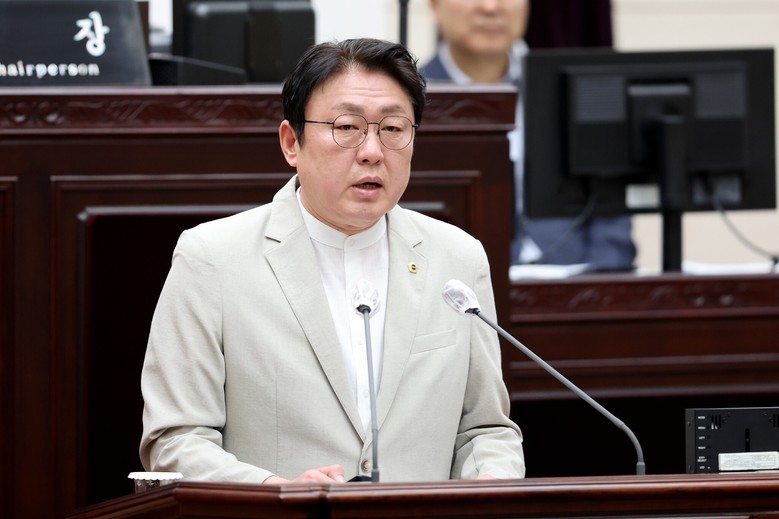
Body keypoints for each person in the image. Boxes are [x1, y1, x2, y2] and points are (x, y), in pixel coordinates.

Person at [139, 38, 525, 484]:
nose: (372, 151)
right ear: (291, 142)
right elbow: (176, 440)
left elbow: (484, 430)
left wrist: (491, 481)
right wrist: (276, 493)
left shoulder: (457, 258)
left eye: (393, 128)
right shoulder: (212, 258)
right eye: (346, 127)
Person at [421, 0, 636, 271]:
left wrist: (601, 281)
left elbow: (610, 214)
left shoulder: (570, 89)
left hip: (575, 283)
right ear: (434, 5)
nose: (490, 7)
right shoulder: (408, 100)